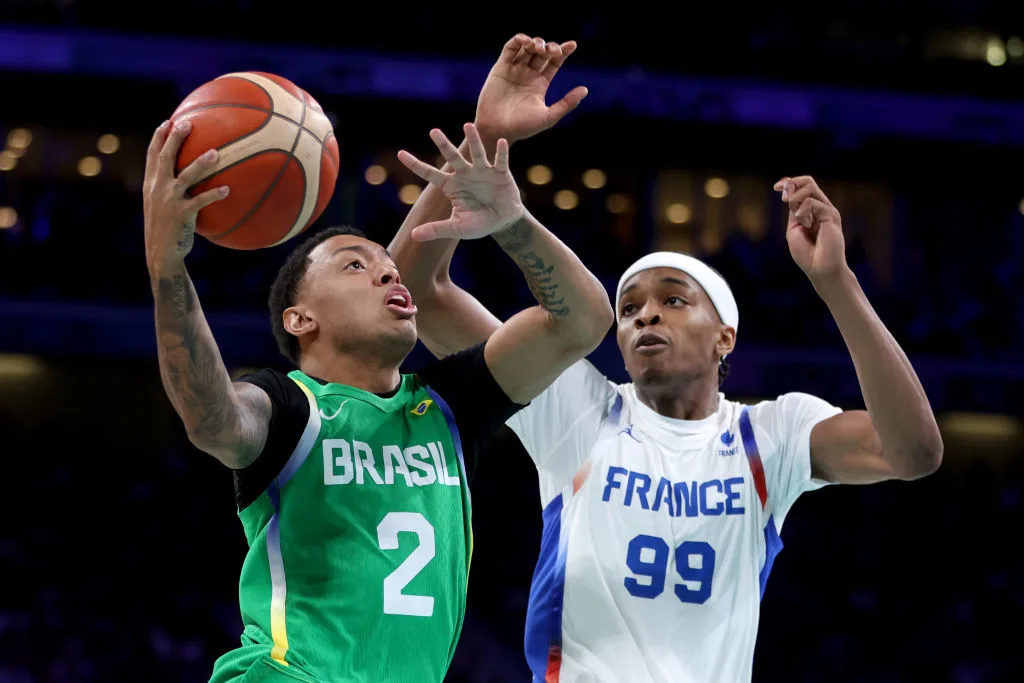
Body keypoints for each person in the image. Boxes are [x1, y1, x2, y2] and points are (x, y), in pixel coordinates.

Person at [142, 57, 612, 683]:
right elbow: (213, 418)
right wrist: (168, 270)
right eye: (355, 266)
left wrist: (514, 219)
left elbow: (582, 322)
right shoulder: (290, 408)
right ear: (300, 319)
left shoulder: (450, 406)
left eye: (388, 268)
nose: (388, 273)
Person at [391, 165, 944, 681]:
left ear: (724, 337)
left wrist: (835, 280)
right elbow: (418, 293)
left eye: (674, 300)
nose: (646, 315)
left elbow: (912, 453)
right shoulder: (576, 407)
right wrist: (477, 145)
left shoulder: (771, 434)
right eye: (629, 309)